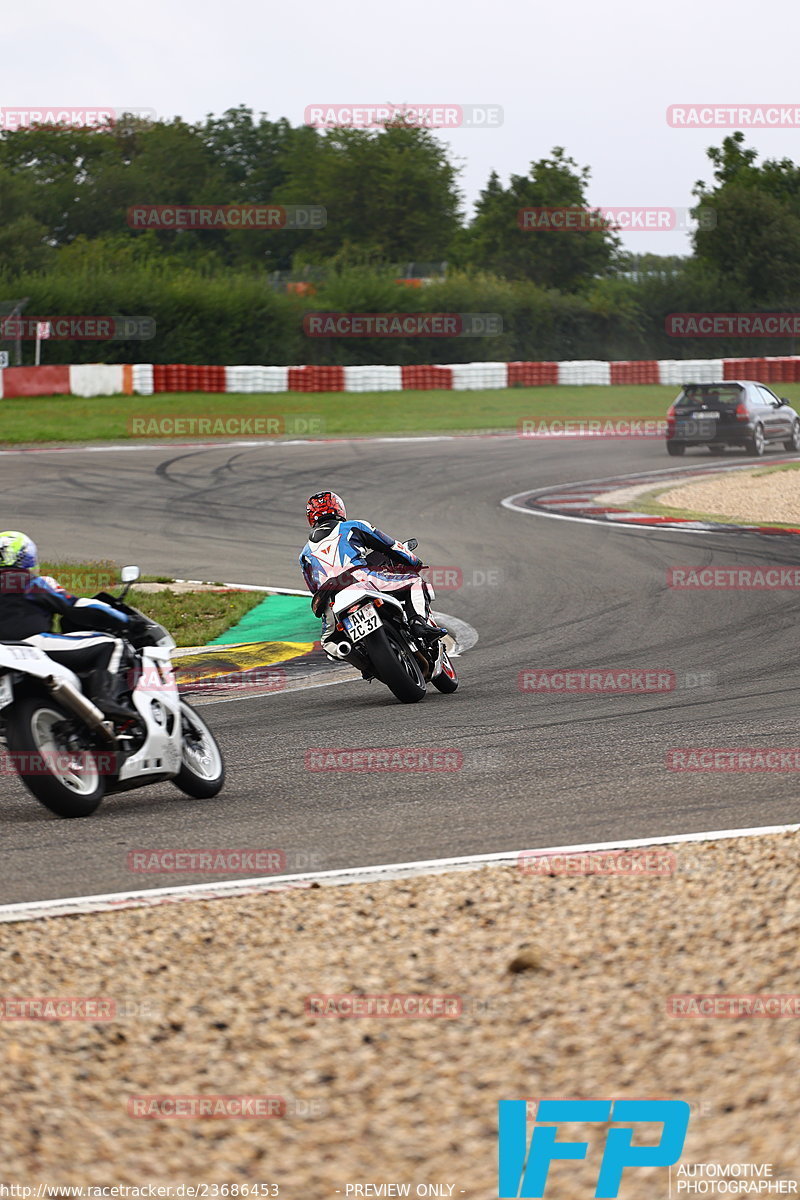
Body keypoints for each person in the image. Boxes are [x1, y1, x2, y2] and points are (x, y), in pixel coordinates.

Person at [0, 530, 138, 721]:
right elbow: (75, 606)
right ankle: (104, 700)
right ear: (24, 557)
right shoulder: (28, 581)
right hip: (31, 644)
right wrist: (126, 620)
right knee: (112, 645)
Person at [299, 491, 446, 648]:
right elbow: (391, 546)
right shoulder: (353, 526)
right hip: (361, 579)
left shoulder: (304, 554)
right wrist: (413, 561)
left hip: (331, 599)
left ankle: (364, 664)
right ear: (339, 508)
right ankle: (418, 623)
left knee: (329, 643)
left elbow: (314, 589)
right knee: (416, 583)